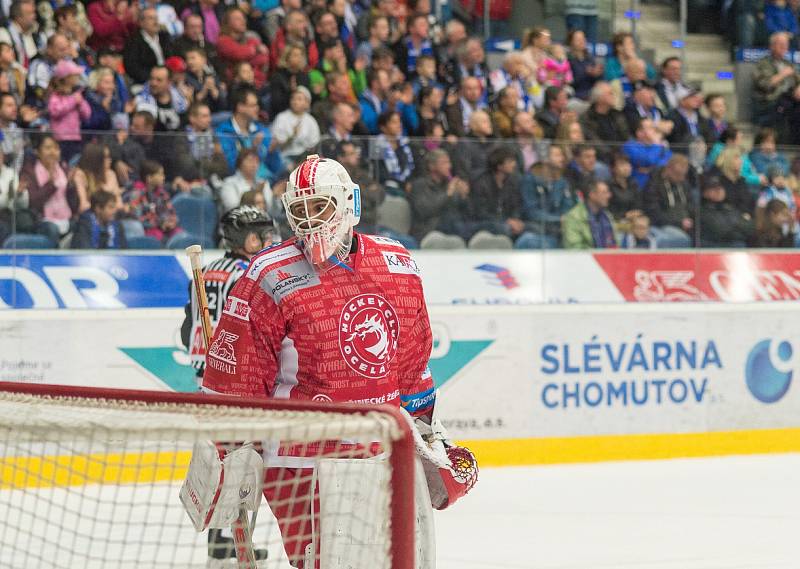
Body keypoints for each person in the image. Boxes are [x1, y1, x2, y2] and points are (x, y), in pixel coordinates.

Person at [199, 154, 477, 567]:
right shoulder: (268, 273)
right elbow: (238, 377)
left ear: (350, 204)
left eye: (320, 207)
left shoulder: (396, 263)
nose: (310, 221)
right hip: (298, 458)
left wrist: (427, 434)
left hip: (380, 451)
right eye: (299, 210)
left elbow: (411, 364)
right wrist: (231, 454)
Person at [179, 204, 276, 563]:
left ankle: (220, 539)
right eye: (258, 235)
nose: (266, 240)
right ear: (238, 238)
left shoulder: (207, 272)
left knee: (222, 455)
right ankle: (234, 539)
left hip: (206, 375)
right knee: (243, 458)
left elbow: (188, 326)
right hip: (235, 376)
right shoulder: (248, 274)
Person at [561, 179, 617, 249]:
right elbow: (574, 248)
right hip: (584, 259)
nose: (609, 196)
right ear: (592, 195)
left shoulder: (607, 216)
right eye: (604, 193)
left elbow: (615, 243)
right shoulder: (573, 217)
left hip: (608, 257)